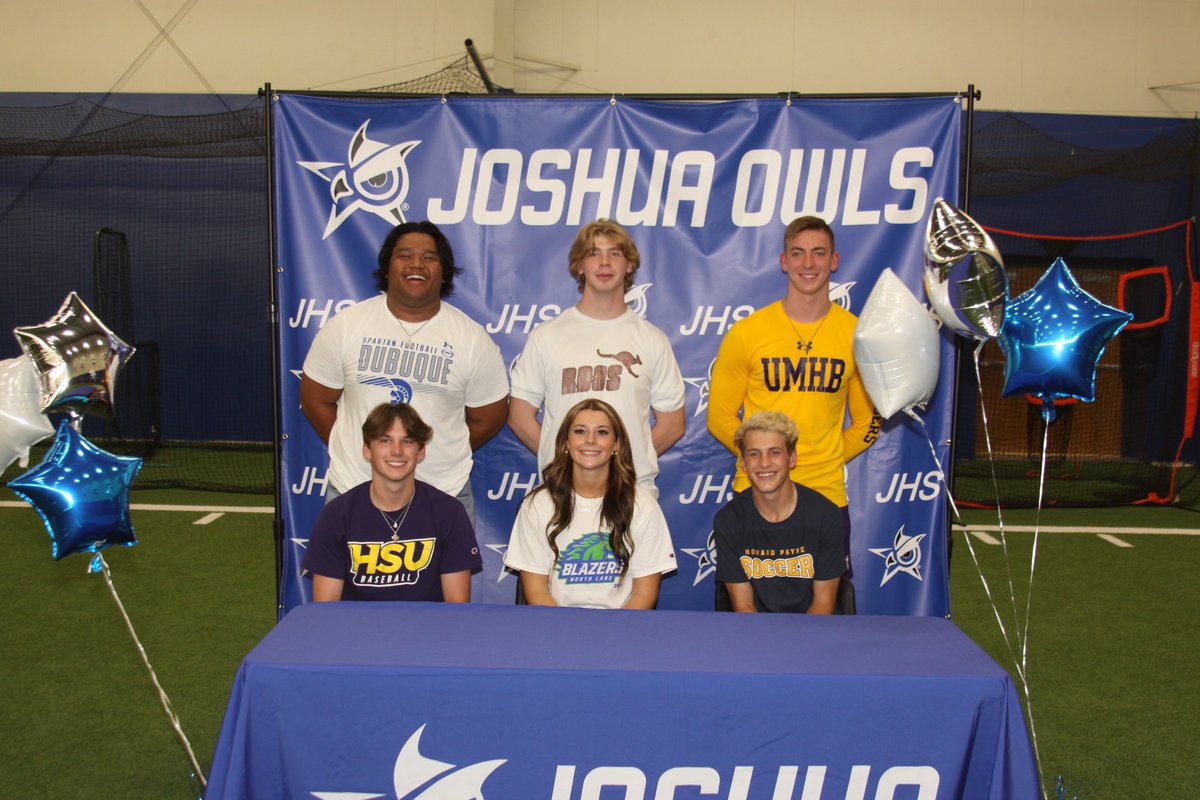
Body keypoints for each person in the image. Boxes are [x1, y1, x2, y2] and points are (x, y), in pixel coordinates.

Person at [300, 220, 509, 520]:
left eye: (429, 257)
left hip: (443, 493)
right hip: (354, 487)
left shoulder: (472, 339)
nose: (417, 264)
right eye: (405, 255)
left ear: (443, 271)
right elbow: (315, 399)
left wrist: (437, 448)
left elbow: (489, 417)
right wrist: (364, 449)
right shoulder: (346, 326)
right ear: (387, 267)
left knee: (446, 570)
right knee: (343, 570)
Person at [706, 215, 880, 569]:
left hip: (825, 493)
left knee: (826, 610)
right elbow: (719, 417)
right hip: (757, 493)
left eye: (818, 253)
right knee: (746, 609)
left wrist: (824, 457)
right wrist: (763, 461)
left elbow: (867, 423)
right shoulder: (748, 333)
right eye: (798, 254)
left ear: (834, 261)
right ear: (784, 261)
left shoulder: (857, 335)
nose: (808, 264)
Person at [508, 219, 685, 498]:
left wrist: (624, 461)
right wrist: (567, 461)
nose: (604, 262)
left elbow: (672, 424)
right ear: (580, 265)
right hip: (563, 492)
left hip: (631, 492)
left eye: (614, 253)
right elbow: (519, 417)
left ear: (628, 265)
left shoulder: (653, 340)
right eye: (593, 253)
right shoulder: (547, 336)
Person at [504, 398, 677, 609]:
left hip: (622, 629)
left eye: (602, 432)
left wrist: (613, 634)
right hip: (557, 628)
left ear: (616, 445)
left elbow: (644, 594)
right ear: (565, 443)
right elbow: (536, 591)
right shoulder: (537, 505)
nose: (590, 440)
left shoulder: (643, 506)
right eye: (580, 431)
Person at [303, 403, 482, 602]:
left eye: (407, 441)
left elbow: (456, 611)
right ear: (367, 450)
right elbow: (326, 611)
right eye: (385, 440)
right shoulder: (336, 515)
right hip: (356, 631)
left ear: (420, 452)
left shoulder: (450, 513)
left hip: (428, 631)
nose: (397, 451)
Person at [713, 412, 843, 613]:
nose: (764, 463)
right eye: (754, 454)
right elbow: (744, 605)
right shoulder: (729, 521)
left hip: (812, 632)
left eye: (775, 452)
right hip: (757, 634)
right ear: (744, 464)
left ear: (792, 458)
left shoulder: (826, 516)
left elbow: (823, 604)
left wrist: (799, 644)